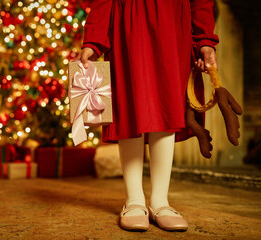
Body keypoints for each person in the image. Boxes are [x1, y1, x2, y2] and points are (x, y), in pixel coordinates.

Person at [75, 0, 219, 232]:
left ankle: (160, 201)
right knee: (129, 104)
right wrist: (93, 40)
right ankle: (134, 200)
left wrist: (204, 40)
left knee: (167, 106)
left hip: (172, 24)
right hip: (126, 23)